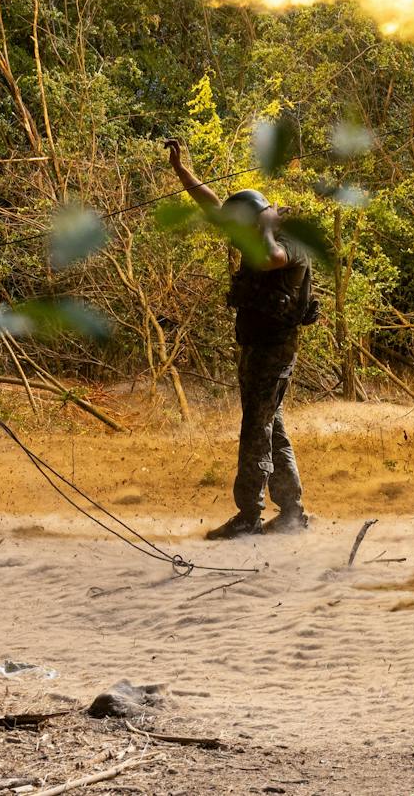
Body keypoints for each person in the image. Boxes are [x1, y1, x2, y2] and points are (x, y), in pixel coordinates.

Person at [165, 137, 316, 539]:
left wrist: (264, 225)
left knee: (255, 428)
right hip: (256, 347)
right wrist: (183, 172)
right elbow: (214, 207)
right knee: (271, 426)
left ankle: (249, 514)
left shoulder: (289, 243)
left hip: (274, 349)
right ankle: (293, 511)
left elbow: (271, 260)